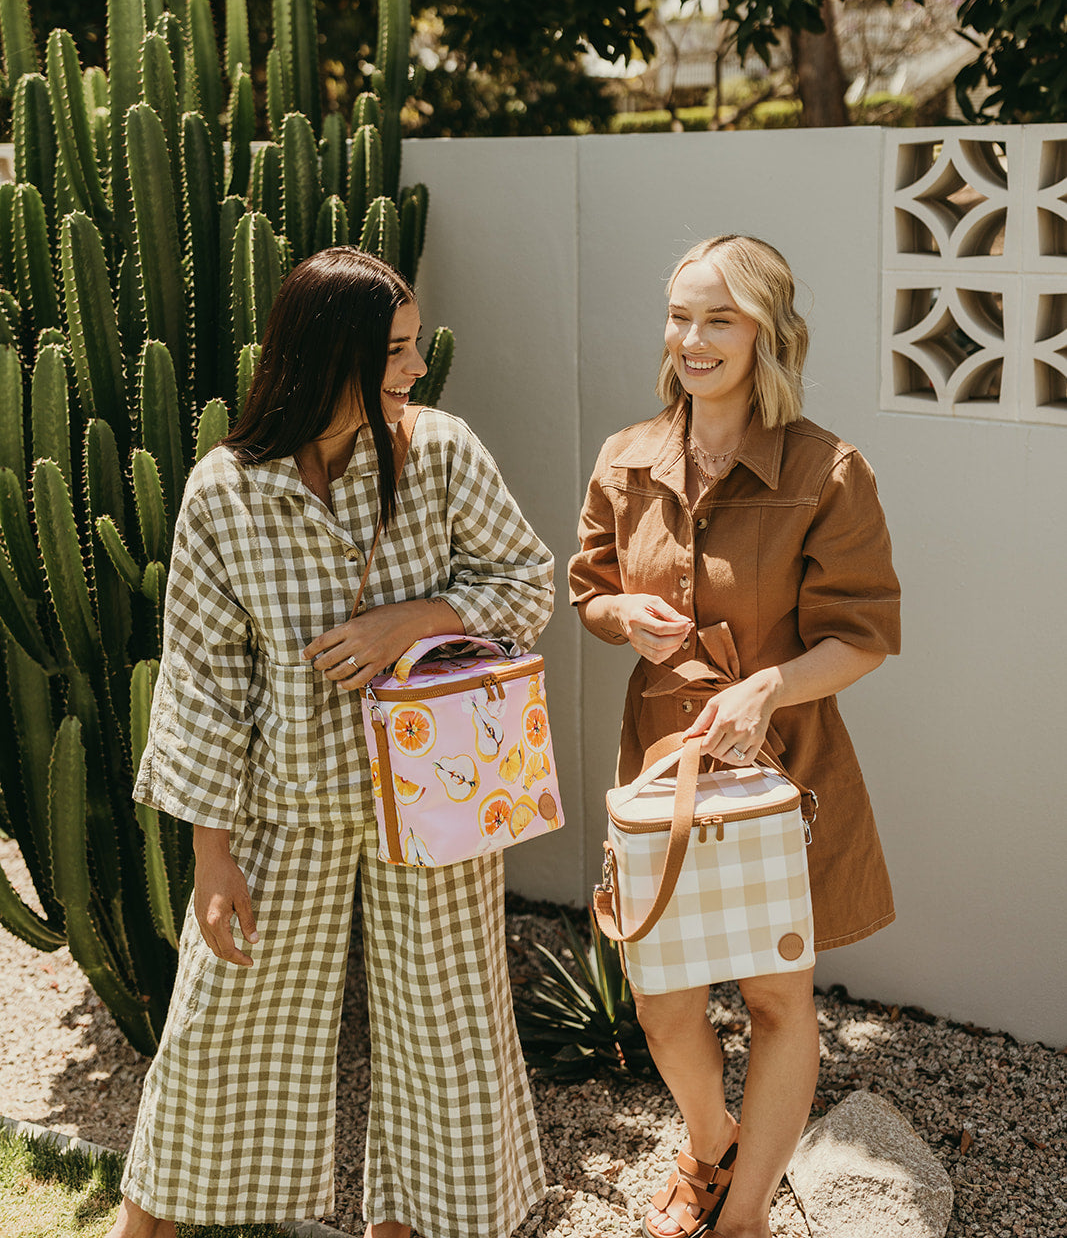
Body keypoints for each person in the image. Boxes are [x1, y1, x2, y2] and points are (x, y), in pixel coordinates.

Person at [107, 247, 553, 1238]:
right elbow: (202, 684)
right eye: (394, 350)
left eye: (413, 345)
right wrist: (211, 854)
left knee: (446, 1039)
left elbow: (528, 582)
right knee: (218, 1028)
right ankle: (142, 1228)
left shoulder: (441, 452)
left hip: (435, 804)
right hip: (285, 805)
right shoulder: (226, 491)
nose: (416, 367)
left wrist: (415, 619)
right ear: (326, 354)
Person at [569, 235, 900, 1238]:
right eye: (680, 316)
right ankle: (711, 1140)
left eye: (719, 318)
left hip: (774, 770)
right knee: (662, 998)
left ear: (768, 332)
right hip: (659, 768)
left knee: (773, 997)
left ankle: (745, 1211)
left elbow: (862, 635)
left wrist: (766, 688)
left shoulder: (827, 470)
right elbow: (589, 588)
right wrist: (619, 616)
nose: (693, 339)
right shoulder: (624, 458)